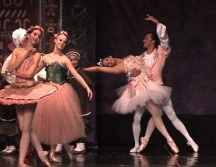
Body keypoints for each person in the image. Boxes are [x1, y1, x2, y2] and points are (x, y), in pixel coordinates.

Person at [95, 14, 199, 153]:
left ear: (153, 41)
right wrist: (112, 63)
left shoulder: (161, 52)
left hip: (159, 88)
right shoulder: (140, 57)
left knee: (170, 115)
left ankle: (190, 140)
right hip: (144, 90)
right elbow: (126, 63)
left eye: (146, 38)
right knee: (139, 116)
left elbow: (165, 39)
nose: (143, 40)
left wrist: (158, 24)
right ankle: (138, 144)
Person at [84, 54, 179, 153]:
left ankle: (146, 141)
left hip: (148, 84)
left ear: (110, 56)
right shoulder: (116, 69)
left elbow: (143, 60)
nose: (108, 62)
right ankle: (167, 140)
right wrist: (81, 70)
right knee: (148, 115)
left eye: (107, 60)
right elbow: (98, 69)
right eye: (107, 64)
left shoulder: (126, 57)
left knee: (150, 114)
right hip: (140, 89)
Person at [0, 26, 56, 167]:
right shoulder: (17, 51)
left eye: (38, 36)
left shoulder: (37, 54)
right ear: (28, 35)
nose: (36, 37)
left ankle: (21, 162)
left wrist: (16, 73)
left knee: (26, 128)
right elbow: (10, 68)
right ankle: (41, 154)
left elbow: (28, 74)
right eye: (34, 34)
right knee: (24, 128)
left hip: (30, 91)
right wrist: (25, 54)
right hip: (17, 91)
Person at [31, 31, 93, 163]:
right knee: (50, 122)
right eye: (60, 40)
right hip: (48, 91)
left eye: (64, 42)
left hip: (61, 91)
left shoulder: (65, 59)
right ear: (55, 40)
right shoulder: (46, 58)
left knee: (56, 122)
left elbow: (76, 74)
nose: (62, 43)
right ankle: (64, 147)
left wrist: (87, 87)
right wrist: (26, 80)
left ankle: (53, 152)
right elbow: (33, 71)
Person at [55, 49, 93, 154]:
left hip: (79, 100)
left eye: (75, 60)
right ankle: (60, 143)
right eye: (70, 60)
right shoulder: (65, 72)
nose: (73, 62)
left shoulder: (79, 71)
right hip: (67, 101)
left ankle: (81, 145)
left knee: (81, 123)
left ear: (78, 61)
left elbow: (88, 83)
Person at [0, 58, 18, 155]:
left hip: (9, 106)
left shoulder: (5, 78)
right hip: (1, 107)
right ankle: (8, 145)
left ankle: (12, 145)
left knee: (10, 126)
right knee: (6, 126)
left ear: (0, 68)